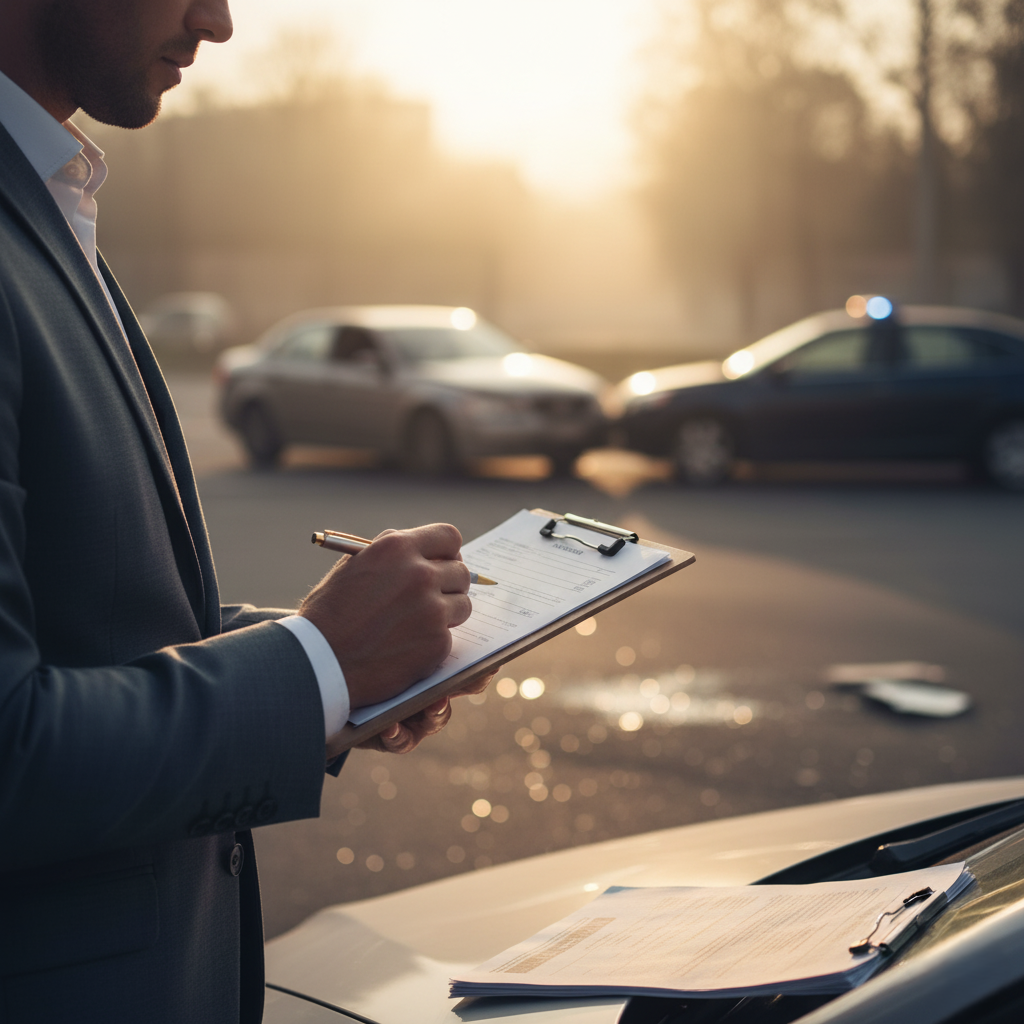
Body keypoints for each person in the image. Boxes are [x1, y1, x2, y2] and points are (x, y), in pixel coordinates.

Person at [0, 2, 491, 1020]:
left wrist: (342, 661)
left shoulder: (48, 197)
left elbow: (90, 636)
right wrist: (318, 663)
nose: (218, 22)